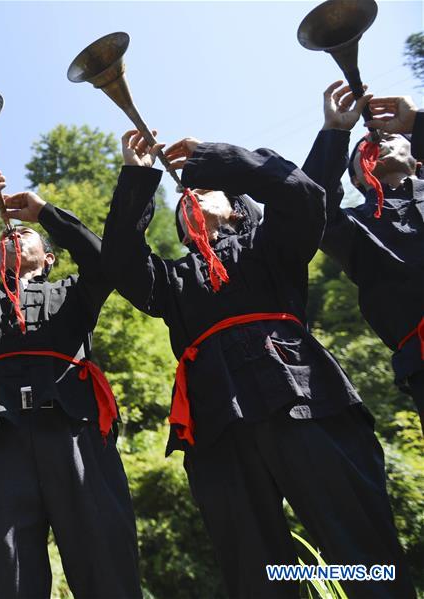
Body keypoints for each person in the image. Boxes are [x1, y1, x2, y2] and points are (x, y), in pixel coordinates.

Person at [101, 130, 415, 598]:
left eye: (206, 190)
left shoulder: (272, 244)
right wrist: (137, 177)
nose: (192, 196)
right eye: (185, 199)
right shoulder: (169, 281)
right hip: (215, 423)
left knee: (361, 550)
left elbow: (304, 194)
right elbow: (120, 259)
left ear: (239, 208)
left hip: (304, 396)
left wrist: (215, 159)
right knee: (256, 574)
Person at [0, 168, 142, 598]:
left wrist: (45, 214)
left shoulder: (75, 293)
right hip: (1, 442)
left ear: (50, 257)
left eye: (26, 236)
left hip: (76, 432)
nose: (14, 237)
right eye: (7, 238)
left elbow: (105, 262)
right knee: (7, 574)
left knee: (106, 559)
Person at [302, 81, 424, 435]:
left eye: (391, 138)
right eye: (363, 148)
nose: (378, 140)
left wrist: (415, 121)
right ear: (356, 177)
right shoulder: (353, 228)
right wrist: (336, 133)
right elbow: (311, 207)